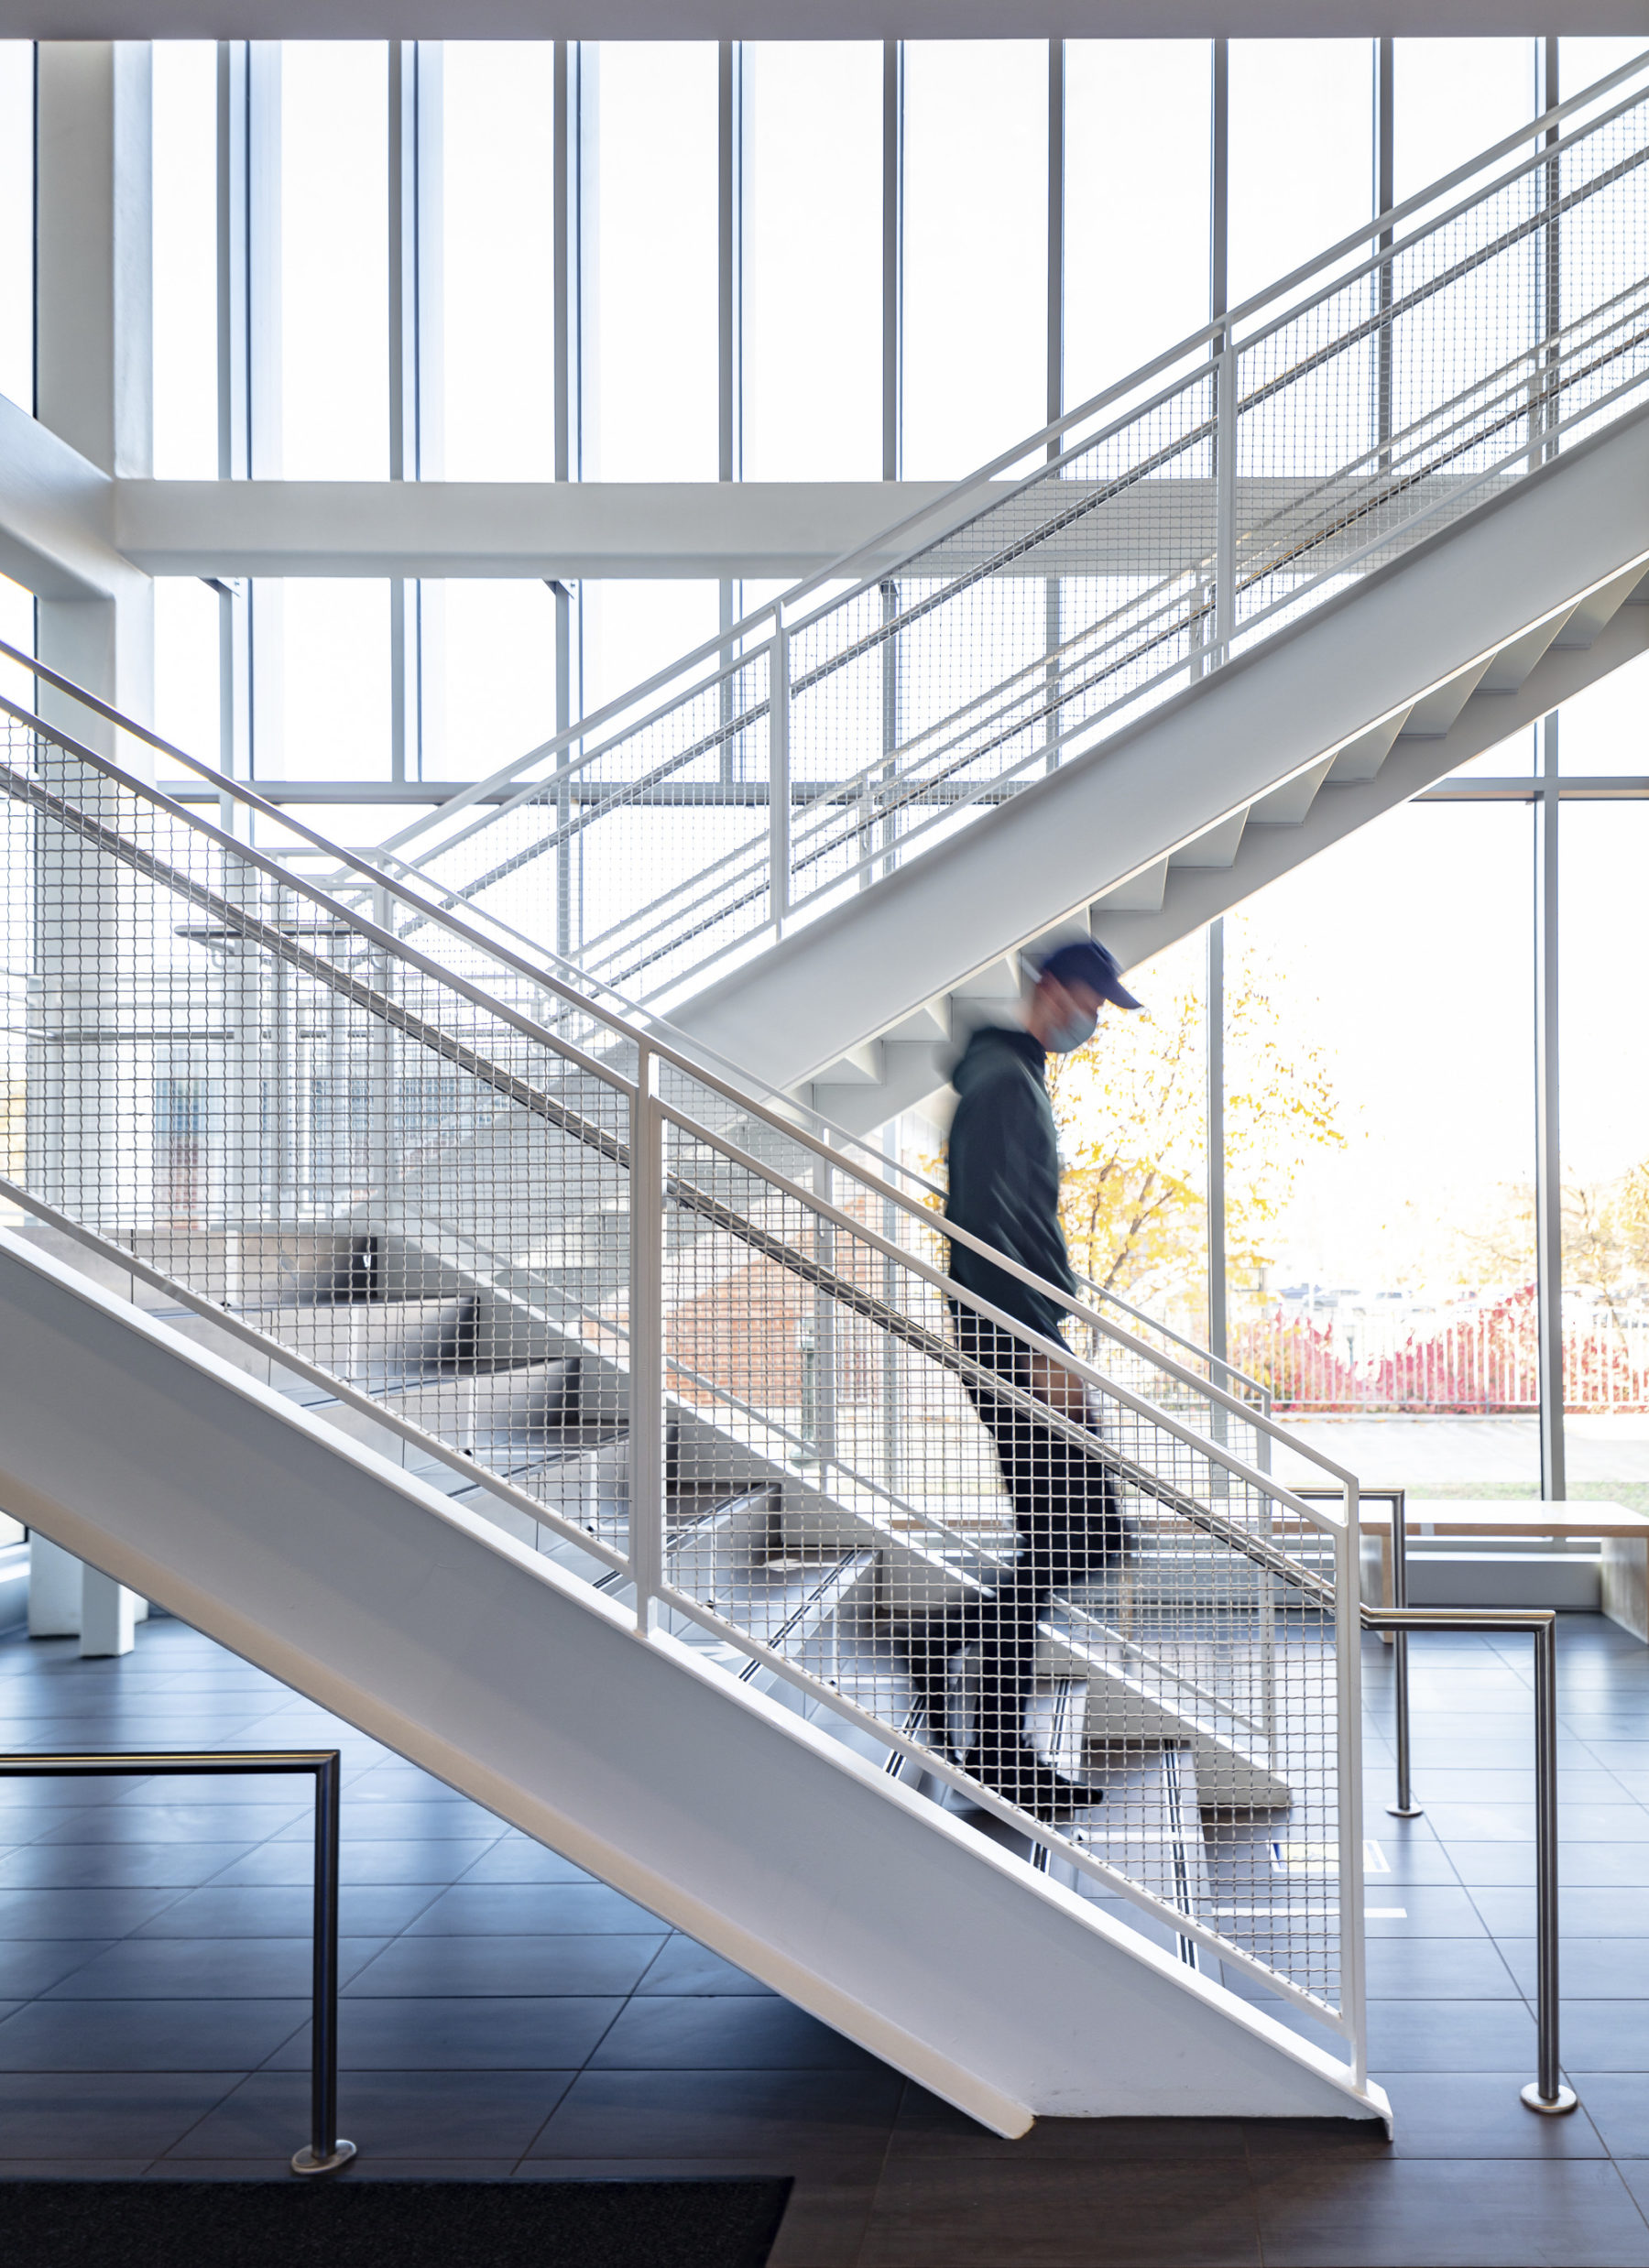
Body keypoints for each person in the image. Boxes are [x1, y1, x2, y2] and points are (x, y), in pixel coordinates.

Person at [905, 937, 1141, 1820]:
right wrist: (1036, 1348)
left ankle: (945, 1647)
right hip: (1016, 1341)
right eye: (1088, 998)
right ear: (1049, 989)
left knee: (1081, 1533)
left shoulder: (1018, 1078)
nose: (1093, 1019)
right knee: (1072, 1532)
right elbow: (984, 1223)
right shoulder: (1005, 1085)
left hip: (1026, 1336)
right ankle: (1000, 1745)